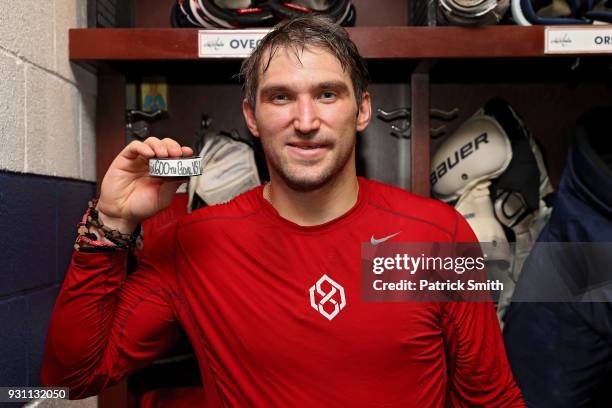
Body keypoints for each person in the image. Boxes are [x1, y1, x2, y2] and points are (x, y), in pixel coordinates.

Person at [42, 15, 524, 407]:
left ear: (361, 110)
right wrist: (112, 224)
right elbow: (71, 379)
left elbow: (492, 398)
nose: (306, 121)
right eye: (281, 97)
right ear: (252, 116)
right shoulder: (195, 243)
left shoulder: (437, 235)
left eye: (327, 94)